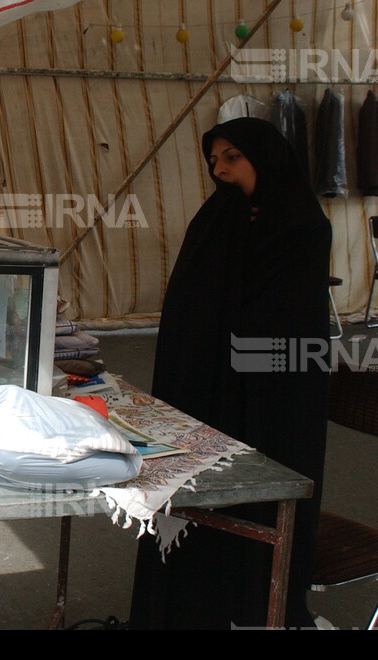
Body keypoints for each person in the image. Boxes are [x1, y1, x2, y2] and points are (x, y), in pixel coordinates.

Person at [129, 117, 332, 629]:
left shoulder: (302, 225)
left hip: (271, 398)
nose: (220, 170)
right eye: (214, 161)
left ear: (265, 158)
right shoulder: (217, 218)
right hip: (211, 386)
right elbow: (190, 304)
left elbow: (284, 323)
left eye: (232, 158)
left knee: (262, 497)